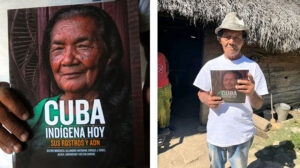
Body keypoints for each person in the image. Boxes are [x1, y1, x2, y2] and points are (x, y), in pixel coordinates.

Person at [1, 5, 132, 167]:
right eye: (58, 49)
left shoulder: (130, 110)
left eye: (83, 46)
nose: (68, 60)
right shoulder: (40, 111)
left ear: (109, 54)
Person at [193, 12, 268, 168]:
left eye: (237, 37)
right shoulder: (211, 65)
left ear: (243, 41)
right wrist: (207, 99)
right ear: (220, 39)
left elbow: (258, 105)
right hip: (216, 132)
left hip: (242, 133)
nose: (231, 41)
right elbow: (201, 92)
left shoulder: (253, 68)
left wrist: (252, 93)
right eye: (227, 36)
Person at [158, 52, 172, 135]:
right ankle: (162, 127)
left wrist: (167, 72)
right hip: (156, 88)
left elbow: (166, 62)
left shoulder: (161, 55)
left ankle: (167, 126)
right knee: (161, 110)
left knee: (167, 106)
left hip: (166, 85)